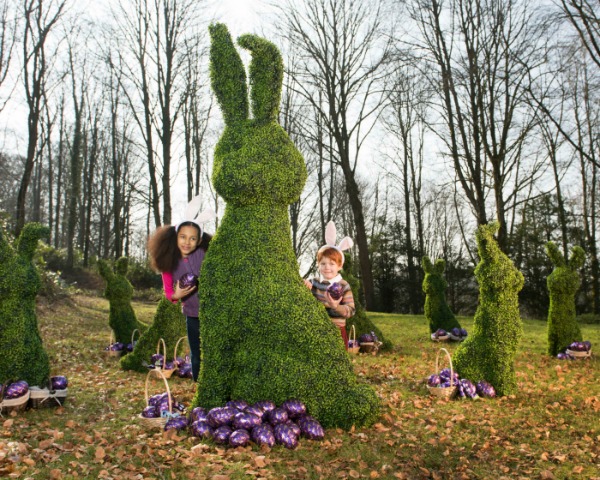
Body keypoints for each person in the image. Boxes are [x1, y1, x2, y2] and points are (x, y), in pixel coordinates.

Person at [147, 197, 215, 382]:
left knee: (213, 348)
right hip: (192, 314)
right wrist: (176, 295)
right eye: (183, 237)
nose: (187, 242)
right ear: (175, 238)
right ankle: (199, 383)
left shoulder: (204, 254)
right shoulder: (169, 262)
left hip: (213, 311)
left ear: (199, 240)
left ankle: (215, 380)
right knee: (195, 351)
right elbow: (169, 292)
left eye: (193, 238)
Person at [304, 221, 355, 348]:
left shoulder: (343, 285)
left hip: (337, 330)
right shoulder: (313, 282)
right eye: (323, 264)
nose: (327, 268)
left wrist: (336, 306)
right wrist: (303, 285)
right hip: (316, 331)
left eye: (332, 264)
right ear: (318, 264)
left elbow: (350, 311)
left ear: (339, 266)